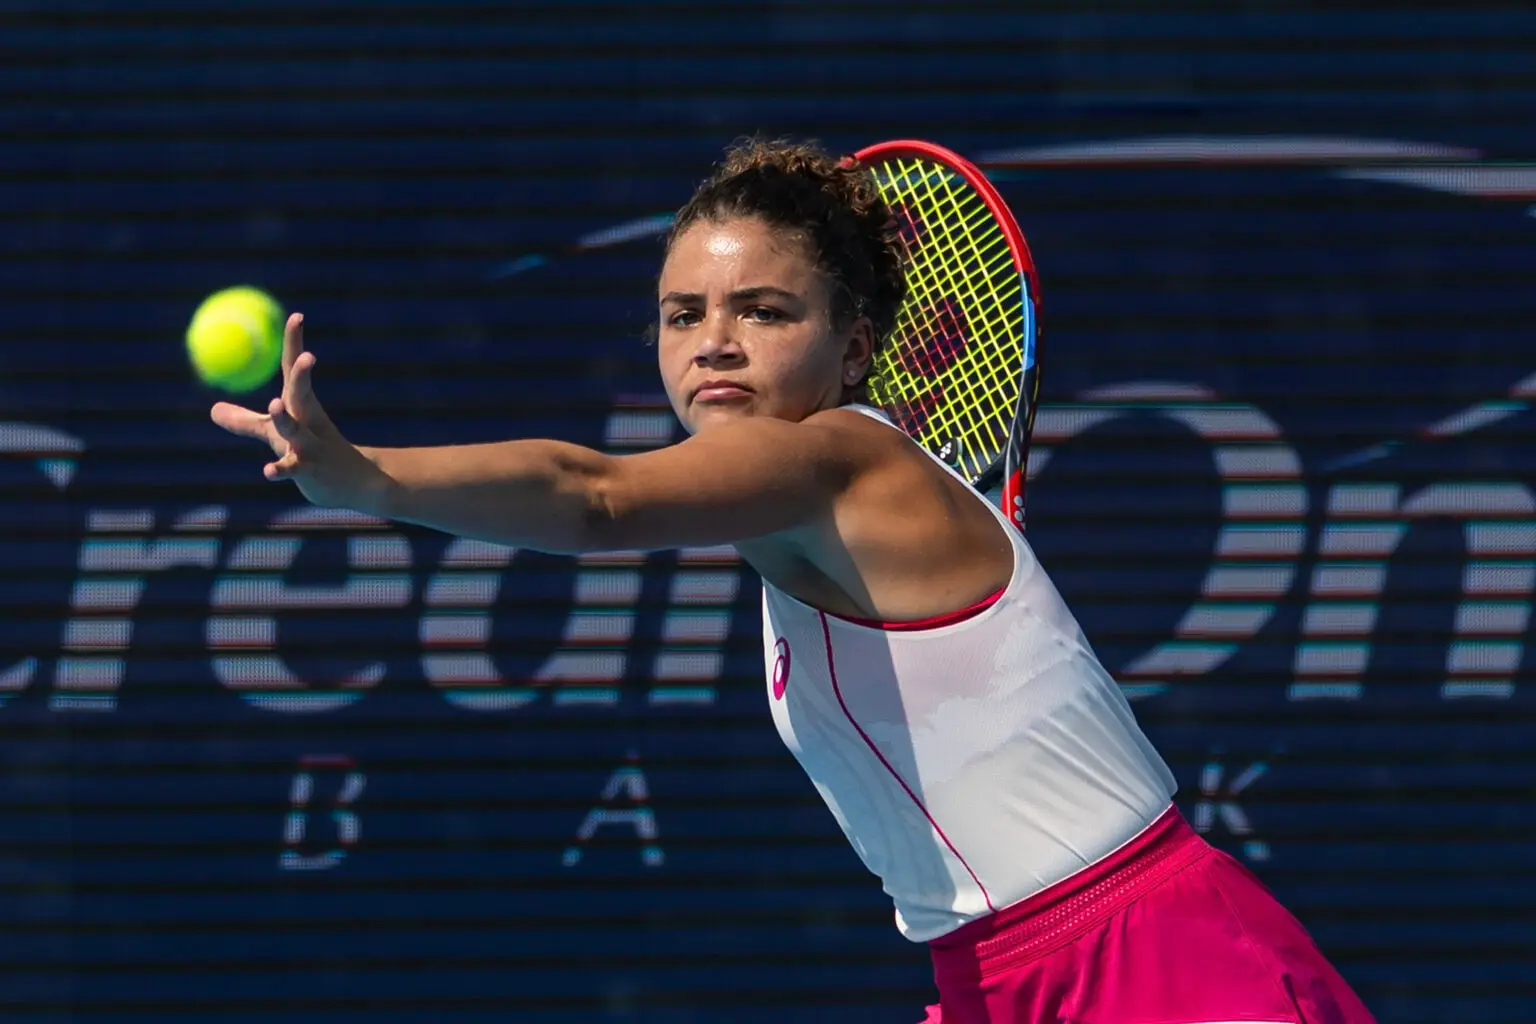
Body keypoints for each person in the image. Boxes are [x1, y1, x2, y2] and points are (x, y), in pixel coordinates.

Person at [212, 138, 1377, 1024]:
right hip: (994, 972)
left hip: (1154, 961)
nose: (713, 341)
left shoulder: (837, 459)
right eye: (683, 314)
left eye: (763, 311)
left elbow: (595, 495)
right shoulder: (797, 512)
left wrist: (367, 477)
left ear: (856, 345)